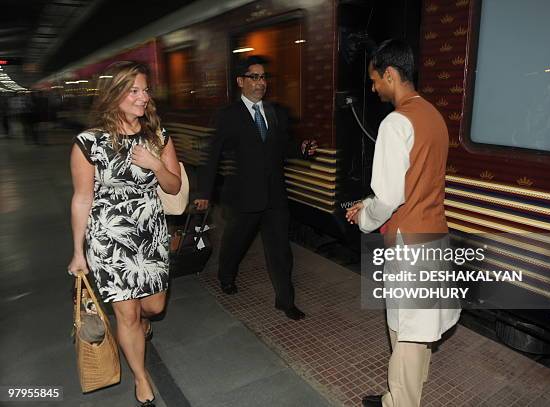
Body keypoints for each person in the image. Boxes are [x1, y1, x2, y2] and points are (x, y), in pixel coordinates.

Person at [346, 40, 461, 407]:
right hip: (434, 237)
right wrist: (372, 202)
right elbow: (417, 181)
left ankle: (400, 403)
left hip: (408, 248)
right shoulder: (432, 115)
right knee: (421, 333)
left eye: (375, 79)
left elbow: (391, 197)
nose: (373, 87)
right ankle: (400, 399)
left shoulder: (395, 123)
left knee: (405, 335)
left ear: (391, 75)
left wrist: (364, 216)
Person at [67, 61, 181, 407]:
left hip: (150, 235)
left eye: (145, 90)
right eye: (134, 91)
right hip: (109, 239)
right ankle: (142, 378)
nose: (143, 97)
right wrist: (78, 250)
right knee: (126, 315)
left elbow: (174, 187)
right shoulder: (89, 143)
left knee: (154, 307)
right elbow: (82, 197)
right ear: (114, 94)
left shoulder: (158, 137)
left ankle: (141, 327)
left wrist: (156, 164)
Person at [194, 55, 317, 320]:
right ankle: (226, 275)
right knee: (235, 242)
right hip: (244, 197)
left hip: (275, 196)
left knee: (280, 250)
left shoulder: (275, 112)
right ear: (241, 81)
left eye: (263, 77)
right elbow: (212, 155)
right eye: (254, 77)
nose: (261, 83)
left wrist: (302, 150)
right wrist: (204, 192)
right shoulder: (228, 116)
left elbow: (283, 146)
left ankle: (285, 301)